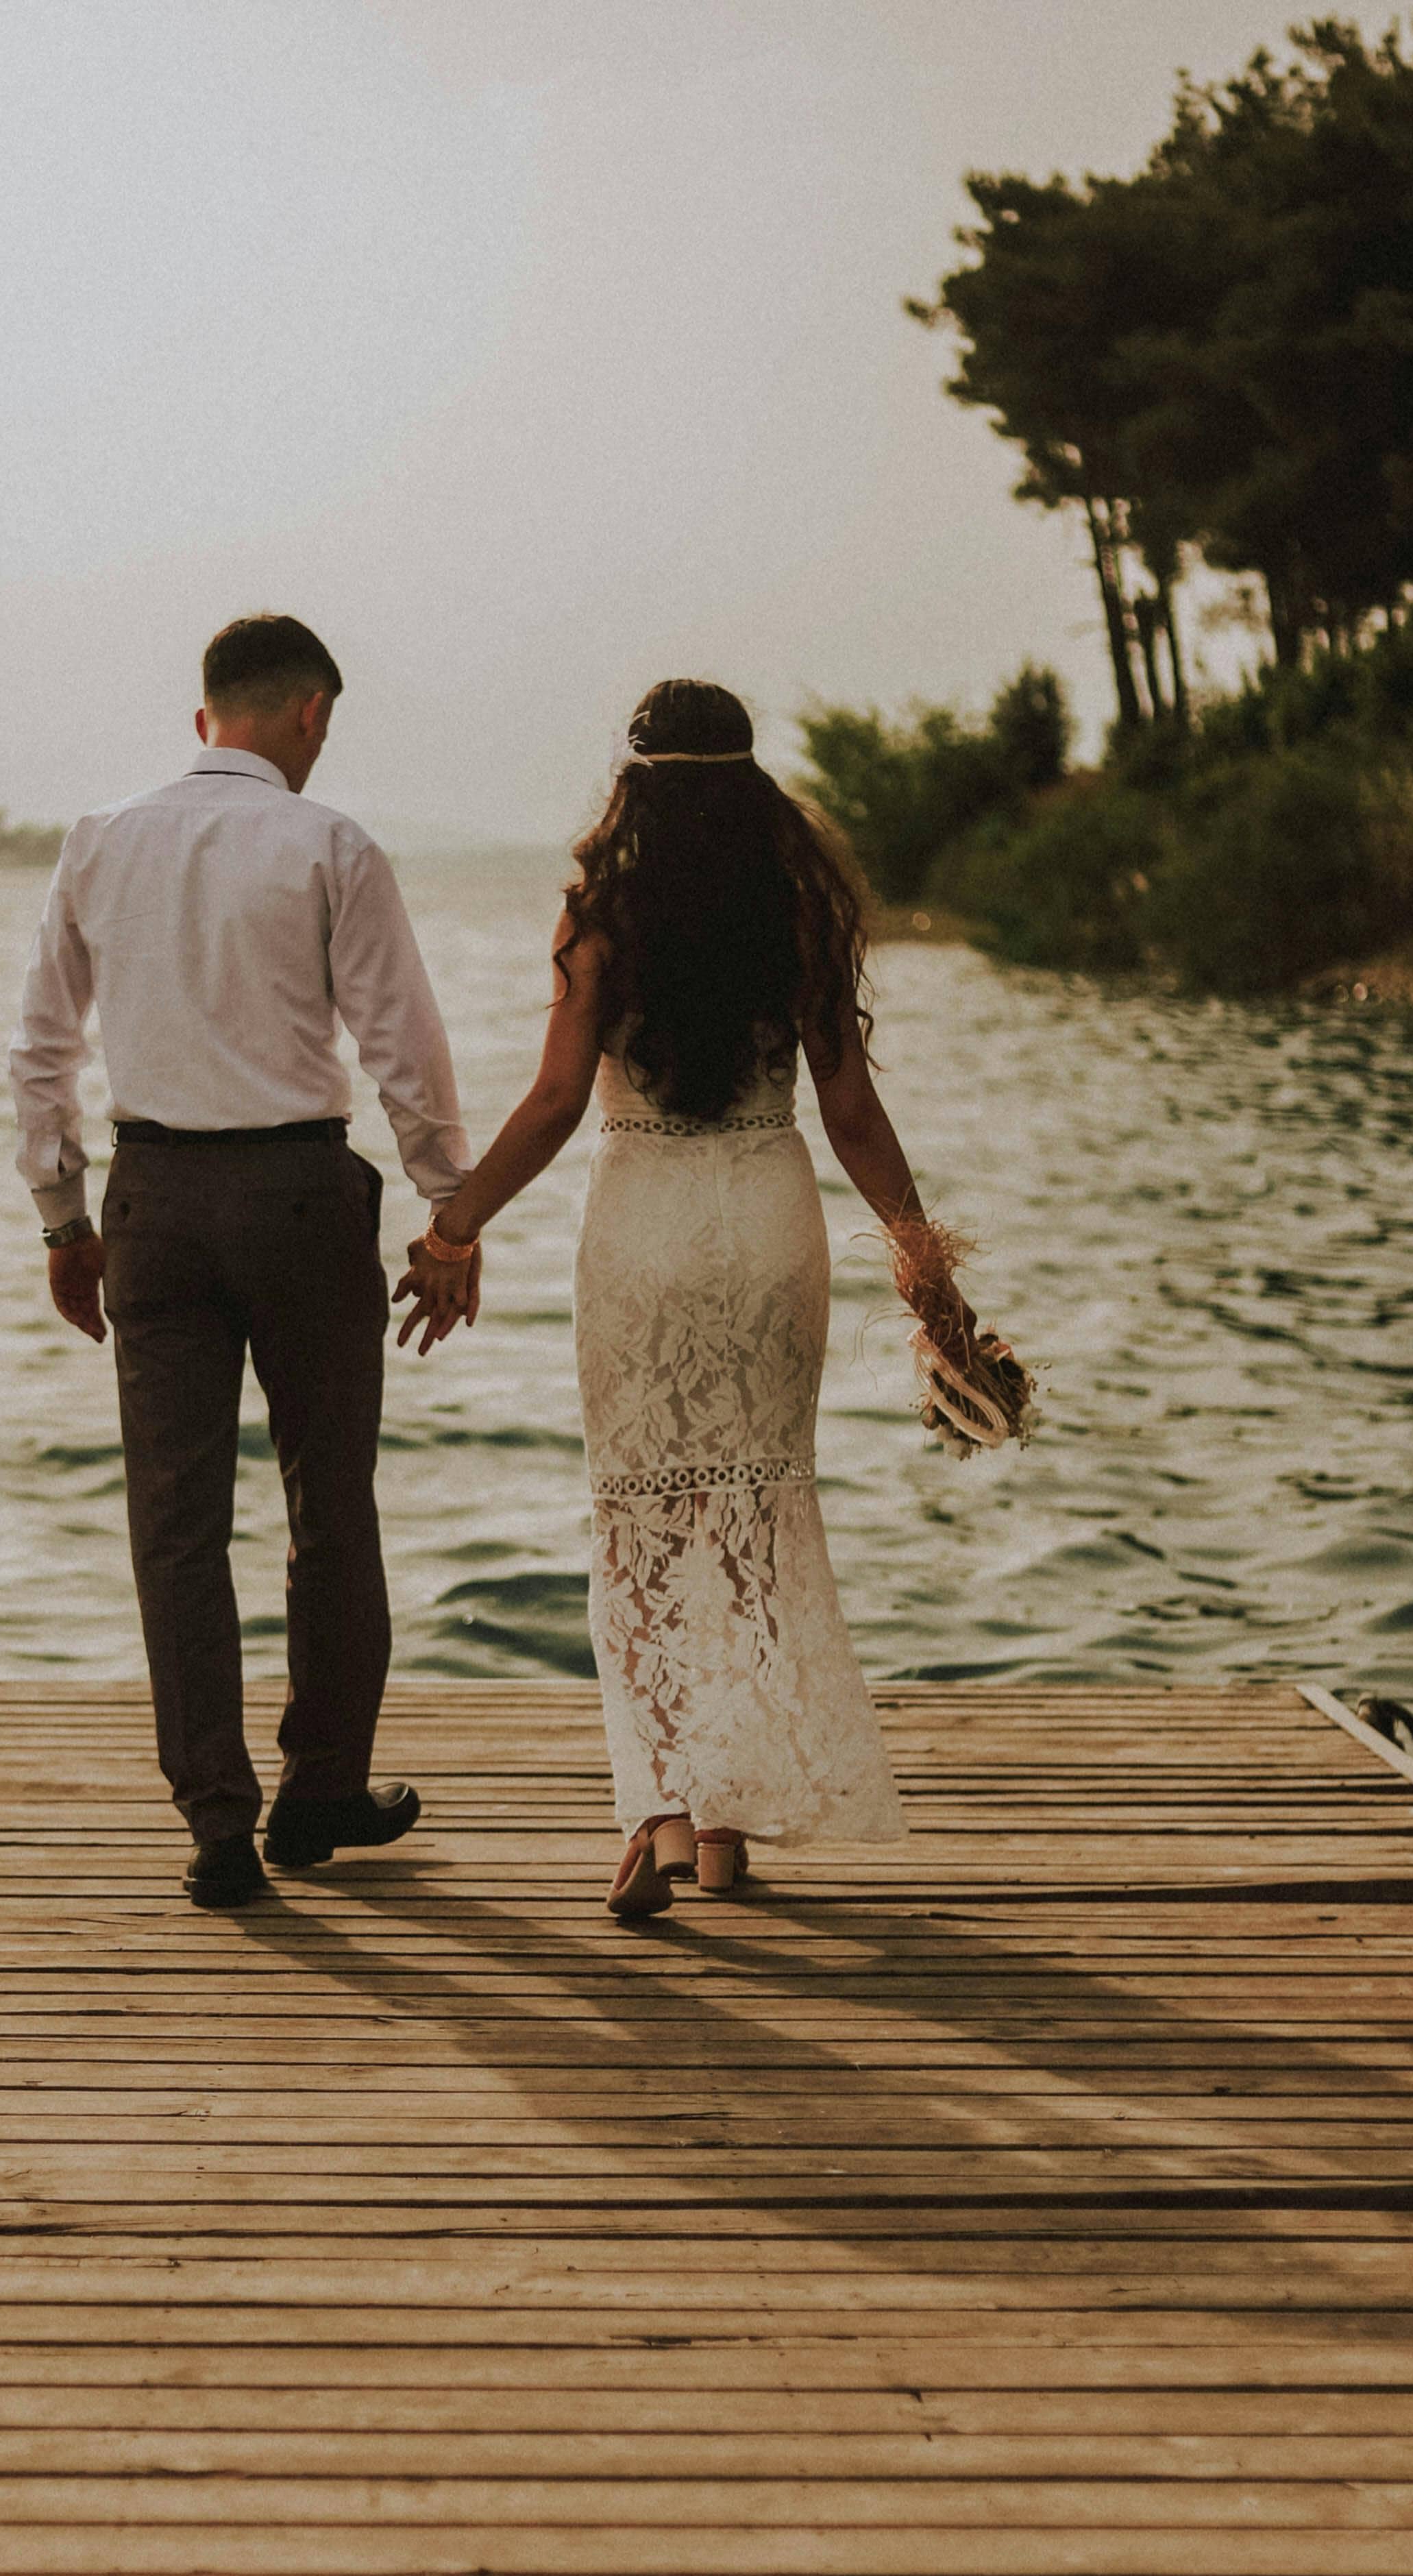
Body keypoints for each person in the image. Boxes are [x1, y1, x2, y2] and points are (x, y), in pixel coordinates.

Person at [392, 679, 948, 1918]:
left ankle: (661, 1813)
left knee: (642, 1523)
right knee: (754, 1514)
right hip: (768, 1219)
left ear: (634, 783)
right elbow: (852, 1111)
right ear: (752, 786)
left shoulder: (603, 916)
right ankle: (729, 1828)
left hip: (644, 1225)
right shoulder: (800, 911)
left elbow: (554, 1102)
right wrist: (926, 1263)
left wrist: (452, 1227)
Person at [10, 614, 474, 1909]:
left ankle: (216, 1822)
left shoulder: (99, 839)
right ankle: (318, 1795)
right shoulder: (330, 843)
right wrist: (449, 1212)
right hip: (298, 1197)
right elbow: (403, 1046)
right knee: (331, 1505)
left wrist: (62, 1217)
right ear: (311, 712)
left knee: (175, 1520)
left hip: (152, 1199)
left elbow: (40, 1049)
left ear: (202, 714)